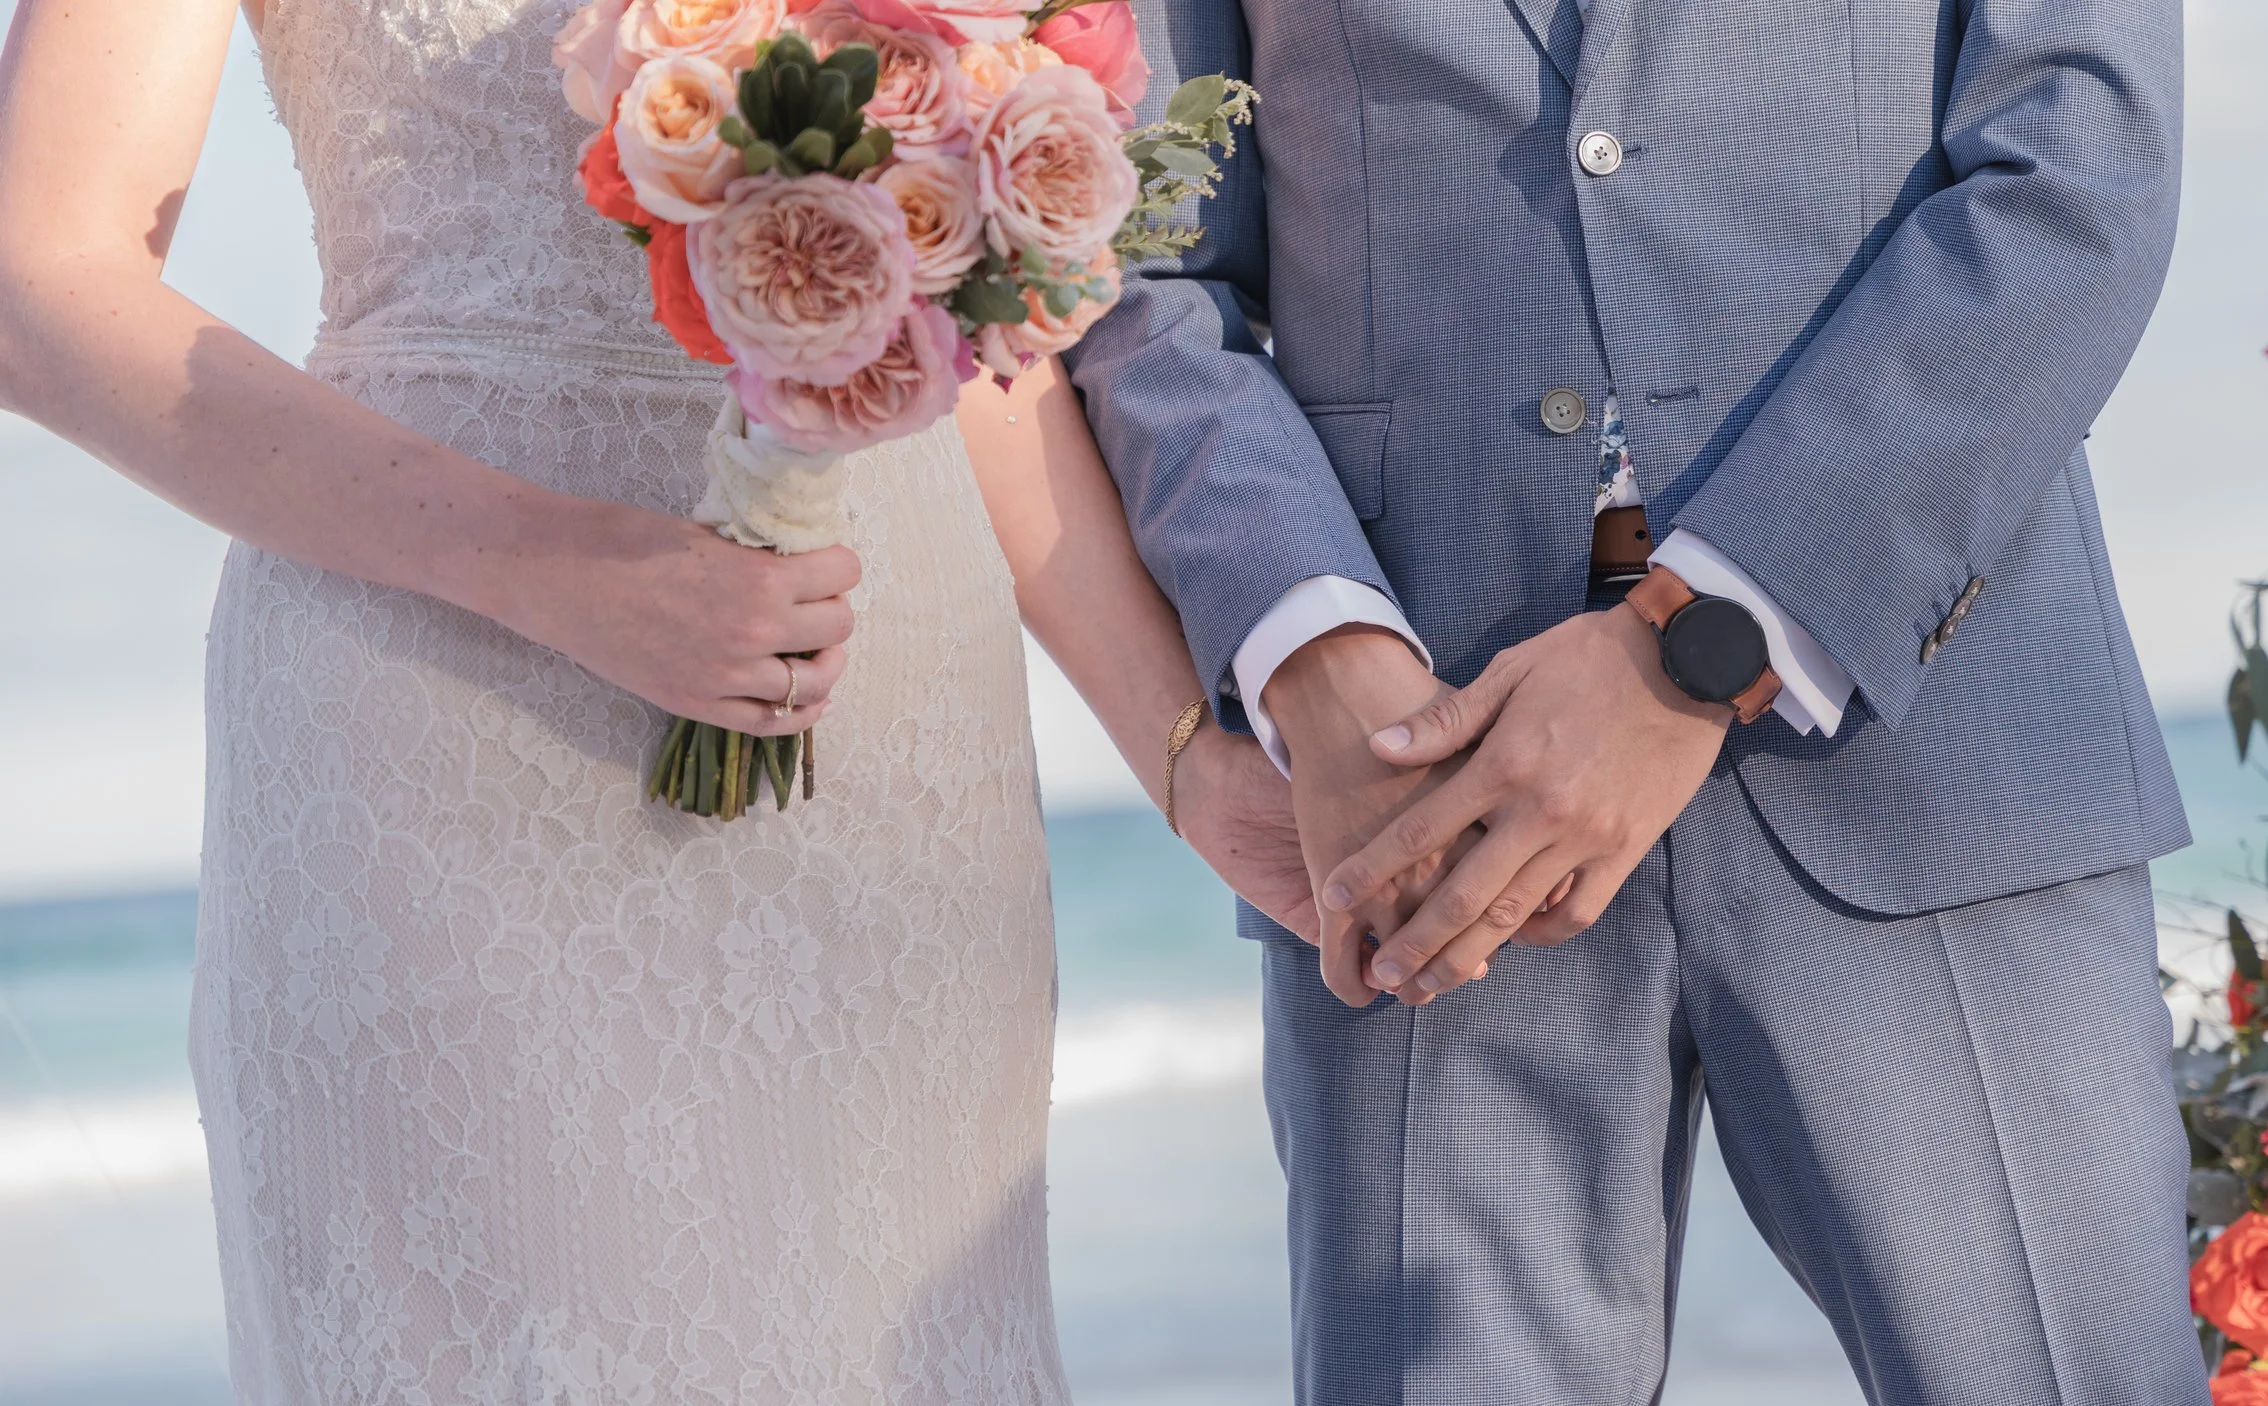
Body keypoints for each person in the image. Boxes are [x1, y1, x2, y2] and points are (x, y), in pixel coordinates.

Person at [0, 2, 1299, 1401]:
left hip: (895, 765)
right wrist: (546, 564)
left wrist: (1180, 750)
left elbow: (978, 334)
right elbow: (42, 280)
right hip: (448, 762)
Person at [1055, 0, 2212, 1400]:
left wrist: (1704, 633)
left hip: (1932, 751)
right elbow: (1129, 252)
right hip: (1421, 781)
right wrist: (1314, 650)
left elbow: (2081, 155)